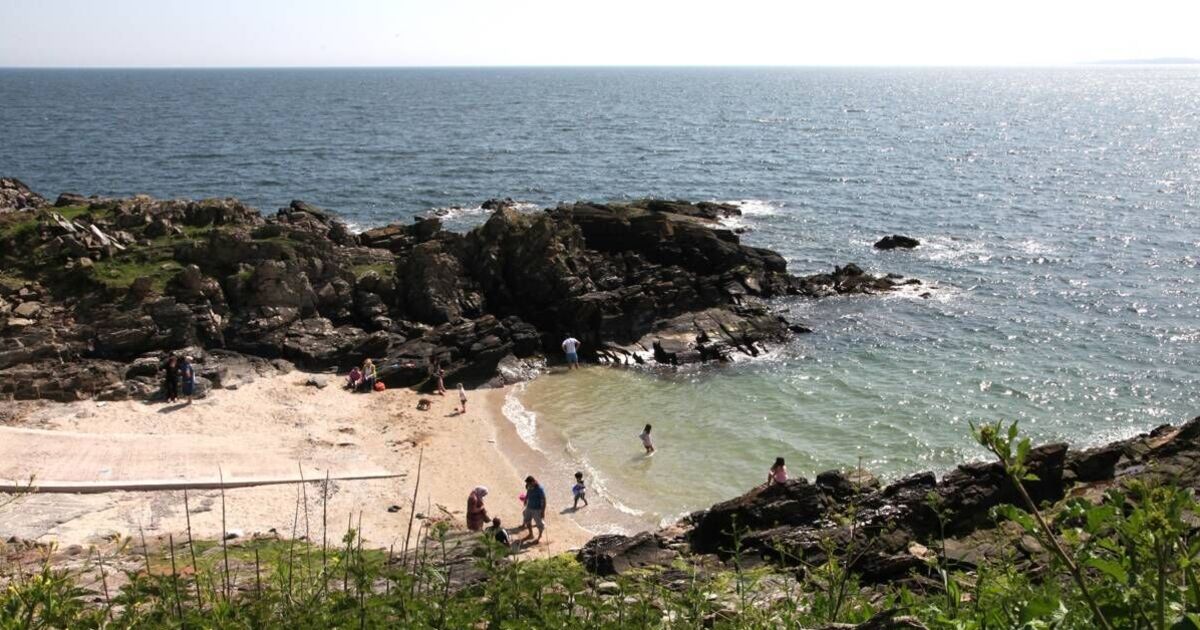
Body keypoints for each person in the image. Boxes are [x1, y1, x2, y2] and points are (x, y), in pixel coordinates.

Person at [521, 476, 546, 544]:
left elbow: (544, 500)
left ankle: (539, 536)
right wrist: (526, 499)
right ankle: (531, 534)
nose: (528, 485)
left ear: (533, 482)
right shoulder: (529, 487)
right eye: (527, 484)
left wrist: (543, 511)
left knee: (540, 524)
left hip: (537, 509)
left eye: (529, 483)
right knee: (527, 520)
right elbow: (528, 493)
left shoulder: (540, 489)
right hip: (529, 507)